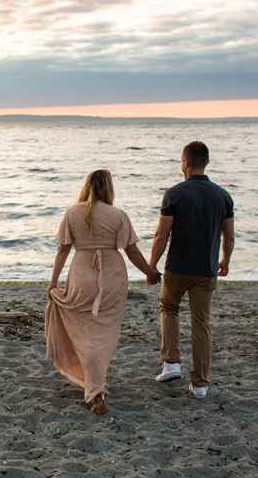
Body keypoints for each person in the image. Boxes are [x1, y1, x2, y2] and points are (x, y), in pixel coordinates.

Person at [46, 169, 161, 415]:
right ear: (108, 187)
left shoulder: (72, 212)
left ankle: (95, 386)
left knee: (84, 330)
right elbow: (132, 253)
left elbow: (63, 250)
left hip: (81, 273)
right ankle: (96, 387)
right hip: (113, 276)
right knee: (104, 333)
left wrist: (53, 282)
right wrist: (150, 273)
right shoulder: (118, 215)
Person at [147, 141, 234, 400]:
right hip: (206, 270)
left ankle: (171, 364)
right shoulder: (223, 195)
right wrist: (225, 260)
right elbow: (228, 237)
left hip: (177, 268)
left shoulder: (174, 194)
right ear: (207, 162)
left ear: (184, 161)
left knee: (169, 308)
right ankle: (200, 385)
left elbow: (161, 235)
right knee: (201, 323)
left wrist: (151, 265)